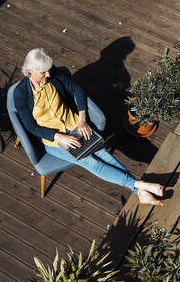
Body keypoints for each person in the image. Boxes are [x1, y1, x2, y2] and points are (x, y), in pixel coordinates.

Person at [14, 48, 164, 205]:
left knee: (104, 155)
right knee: (92, 163)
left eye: (48, 71)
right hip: (54, 140)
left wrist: (82, 120)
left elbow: (77, 90)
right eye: (43, 73)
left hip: (74, 125)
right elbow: (30, 126)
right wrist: (60, 136)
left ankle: (139, 192)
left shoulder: (54, 75)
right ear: (30, 71)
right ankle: (140, 186)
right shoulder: (21, 94)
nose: (48, 75)